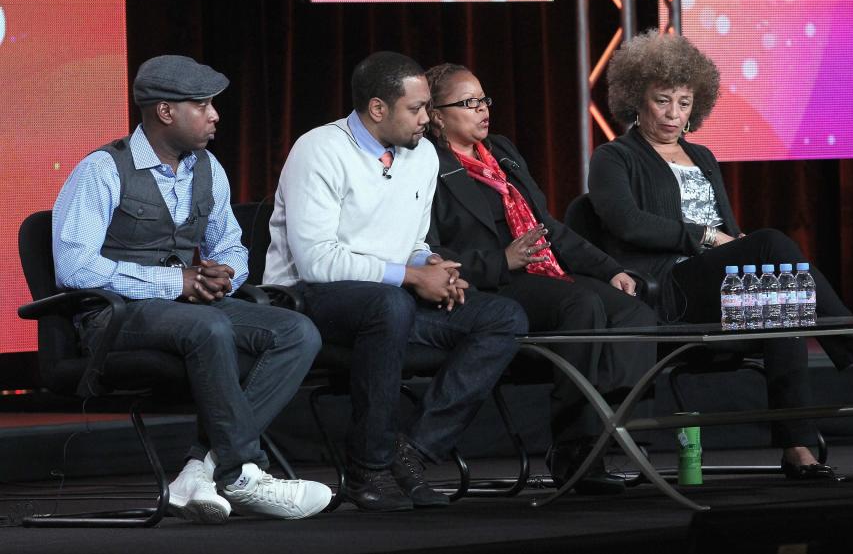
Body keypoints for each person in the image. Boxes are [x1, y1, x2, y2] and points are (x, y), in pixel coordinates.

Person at [588, 29, 853, 477]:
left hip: (719, 285)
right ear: (636, 99)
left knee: (785, 303)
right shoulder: (614, 157)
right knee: (772, 243)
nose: (673, 113)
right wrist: (708, 238)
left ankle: (798, 449)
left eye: (683, 102)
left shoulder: (702, 156)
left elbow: (733, 234)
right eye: (662, 100)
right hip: (669, 292)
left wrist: (731, 244)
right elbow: (627, 222)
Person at [52, 55, 332, 523]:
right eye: (202, 105)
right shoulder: (102, 170)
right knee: (208, 328)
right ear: (166, 112)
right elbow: (75, 268)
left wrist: (224, 274)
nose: (215, 115)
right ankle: (243, 470)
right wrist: (175, 281)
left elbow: (230, 245)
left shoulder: (208, 168)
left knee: (297, 331)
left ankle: (200, 469)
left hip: (189, 310)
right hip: (115, 316)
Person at [263, 51, 527, 512]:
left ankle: (414, 453)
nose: (429, 119)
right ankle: (369, 466)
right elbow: (316, 262)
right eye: (418, 108)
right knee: (390, 306)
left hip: (389, 294)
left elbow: (411, 240)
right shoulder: (320, 150)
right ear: (378, 108)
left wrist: (433, 264)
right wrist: (411, 276)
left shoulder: (422, 155)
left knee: (501, 316)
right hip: (308, 302)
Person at [423, 63, 657, 494]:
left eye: (484, 100)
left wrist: (611, 269)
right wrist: (502, 260)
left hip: (540, 271)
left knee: (634, 312)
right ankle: (573, 447)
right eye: (468, 103)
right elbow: (429, 247)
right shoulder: (425, 165)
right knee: (581, 305)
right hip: (491, 283)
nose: (482, 110)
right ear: (436, 115)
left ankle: (602, 428)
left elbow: (546, 225)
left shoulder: (502, 152)